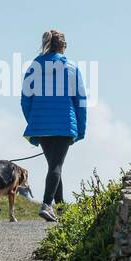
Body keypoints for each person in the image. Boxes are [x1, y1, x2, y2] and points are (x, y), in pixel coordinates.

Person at [20, 29, 86, 222]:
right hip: (65, 124)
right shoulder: (72, 67)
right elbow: (80, 101)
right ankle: (47, 204)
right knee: (56, 166)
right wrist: (80, 129)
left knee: (54, 166)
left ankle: (63, 210)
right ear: (63, 45)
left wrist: (34, 121)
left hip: (41, 125)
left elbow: (25, 99)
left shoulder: (34, 66)